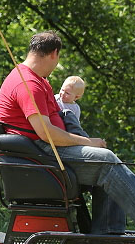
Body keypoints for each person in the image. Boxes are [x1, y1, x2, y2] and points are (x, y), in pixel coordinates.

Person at [0, 31, 135, 228]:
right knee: (106, 159)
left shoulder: (38, 80)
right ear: (54, 53)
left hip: (45, 149)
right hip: (42, 152)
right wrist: (88, 142)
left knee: (107, 164)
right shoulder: (28, 83)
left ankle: (107, 237)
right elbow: (46, 134)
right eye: (58, 58)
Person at [53, 75, 125, 234]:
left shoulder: (75, 108)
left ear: (77, 97)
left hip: (71, 143)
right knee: (107, 161)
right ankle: (105, 231)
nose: (62, 94)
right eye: (62, 90)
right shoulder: (55, 101)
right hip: (63, 147)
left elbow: (74, 128)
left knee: (111, 173)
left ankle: (110, 229)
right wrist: (88, 142)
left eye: (67, 93)